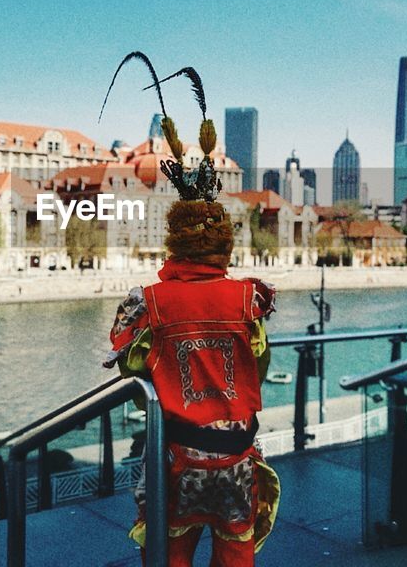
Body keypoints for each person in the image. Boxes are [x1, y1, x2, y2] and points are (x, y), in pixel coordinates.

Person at [102, 56, 278, 566]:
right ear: (223, 245)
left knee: (169, 552)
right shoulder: (249, 298)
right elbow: (259, 362)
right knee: (235, 548)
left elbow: (131, 363)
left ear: (175, 240)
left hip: (179, 455)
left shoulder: (149, 302)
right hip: (237, 454)